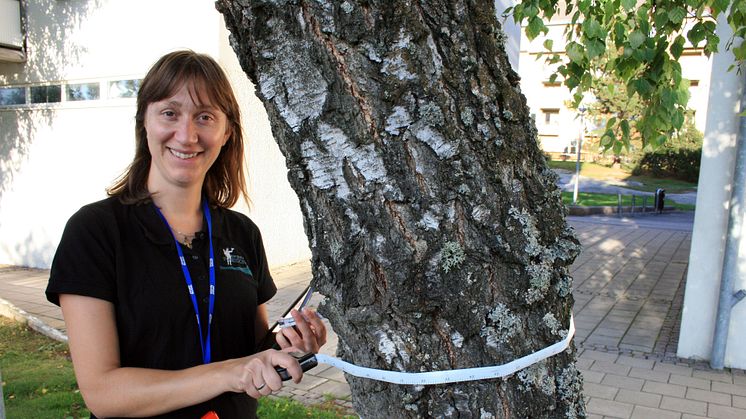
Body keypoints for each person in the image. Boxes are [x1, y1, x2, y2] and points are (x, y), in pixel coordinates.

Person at [45, 50, 326, 418]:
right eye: (170, 113)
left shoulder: (242, 234)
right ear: (144, 121)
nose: (187, 134)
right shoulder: (95, 232)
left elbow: (251, 350)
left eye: (205, 117)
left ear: (226, 132)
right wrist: (229, 374)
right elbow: (103, 392)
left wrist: (287, 345)